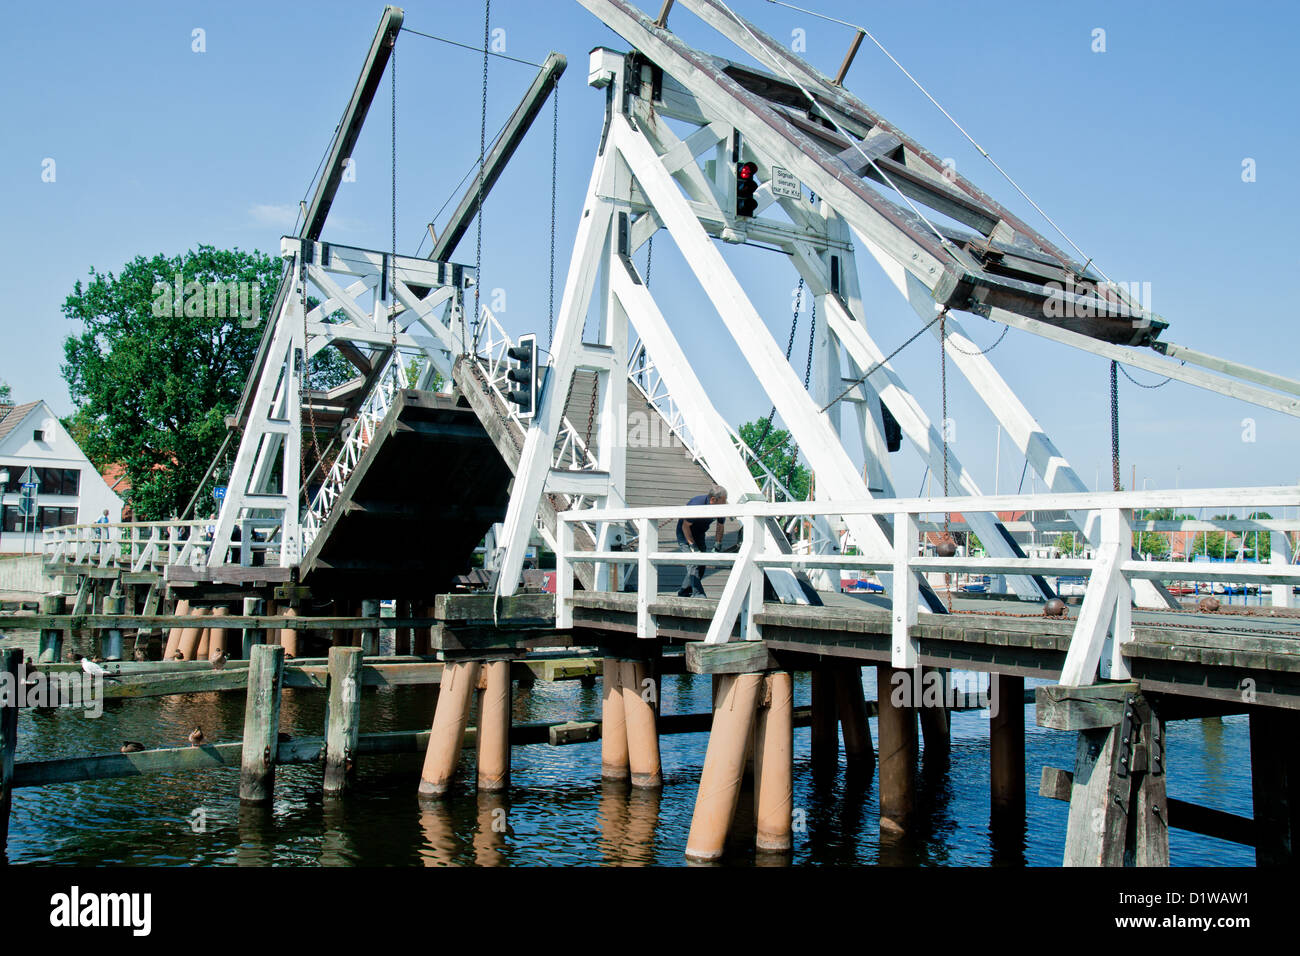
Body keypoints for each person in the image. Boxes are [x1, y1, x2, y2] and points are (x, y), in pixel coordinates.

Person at [675, 486, 727, 597]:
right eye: (723, 502)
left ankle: (684, 591)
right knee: (693, 562)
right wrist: (692, 546)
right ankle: (698, 593)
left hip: (699, 533)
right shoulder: (696, 504)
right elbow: (685, 526)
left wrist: (718, 544)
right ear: (713, 500)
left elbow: (720, 525)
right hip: (685, 533)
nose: (725, 505)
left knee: (702, 564)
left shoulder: (721, 507)